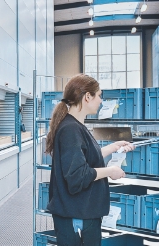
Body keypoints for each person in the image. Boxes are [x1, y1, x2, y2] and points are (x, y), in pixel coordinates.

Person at [44, 74, 135, 246]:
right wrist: (110, 172)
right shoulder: (70, 129)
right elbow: (78, 175)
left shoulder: (75, 126)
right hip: (77, 214)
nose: (101, 100)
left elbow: (83, 158)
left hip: (82, 211)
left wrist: (114, 147)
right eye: (99, 95)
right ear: (87, 96)